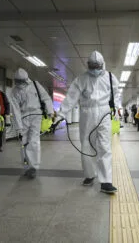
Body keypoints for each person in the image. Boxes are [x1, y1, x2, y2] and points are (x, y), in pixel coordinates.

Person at [54, 51, 119, 194]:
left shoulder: (110, 77)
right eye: (92, 66)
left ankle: (106, 181)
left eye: (97, 66)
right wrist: (61, 114)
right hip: (87, 113)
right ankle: (90, 175)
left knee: (105, 146)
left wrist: (118, 111)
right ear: (88, 65)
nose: (95, 69)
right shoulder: (81, 79)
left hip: (104, 113)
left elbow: (116, 95)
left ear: (102, 65)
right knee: (86, 145)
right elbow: (71, 98)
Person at [11, 68, 54, 179]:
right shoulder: (14, 91)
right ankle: (27, 166)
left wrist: (50, 111)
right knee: (23, 142)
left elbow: (46, 98)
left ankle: (34, 167)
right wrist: (18, 127)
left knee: (34, 141)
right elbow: (15, 109)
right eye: (18, 81)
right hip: (23, 116)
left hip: (36, 115)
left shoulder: (35, 85)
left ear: (26, 79)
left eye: (21, 81)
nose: (19, 84)